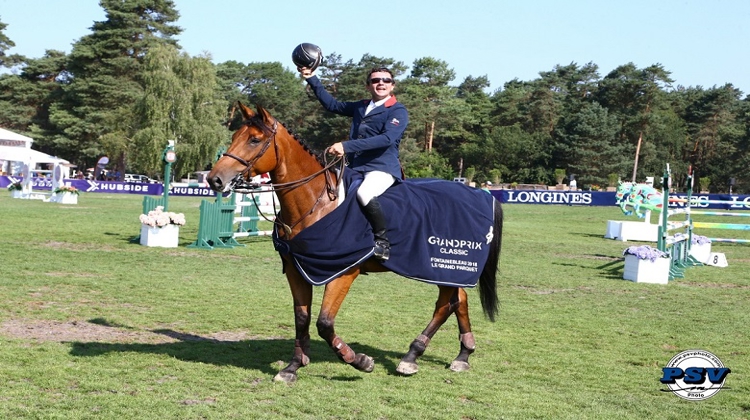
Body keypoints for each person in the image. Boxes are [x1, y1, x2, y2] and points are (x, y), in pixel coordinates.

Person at [298, 65, 409, 261]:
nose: (380, 83)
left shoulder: (398, 111)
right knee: (329, 193)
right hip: (356, 166)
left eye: (385, 80)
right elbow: (332, 105)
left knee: (364, 193)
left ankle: (382, 241)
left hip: (381, 167)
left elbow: (386, 139)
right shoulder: (361, 106)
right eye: (375, 80)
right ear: (368, 86)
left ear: (392, 85)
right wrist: (311, 77)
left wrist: (346, 146)